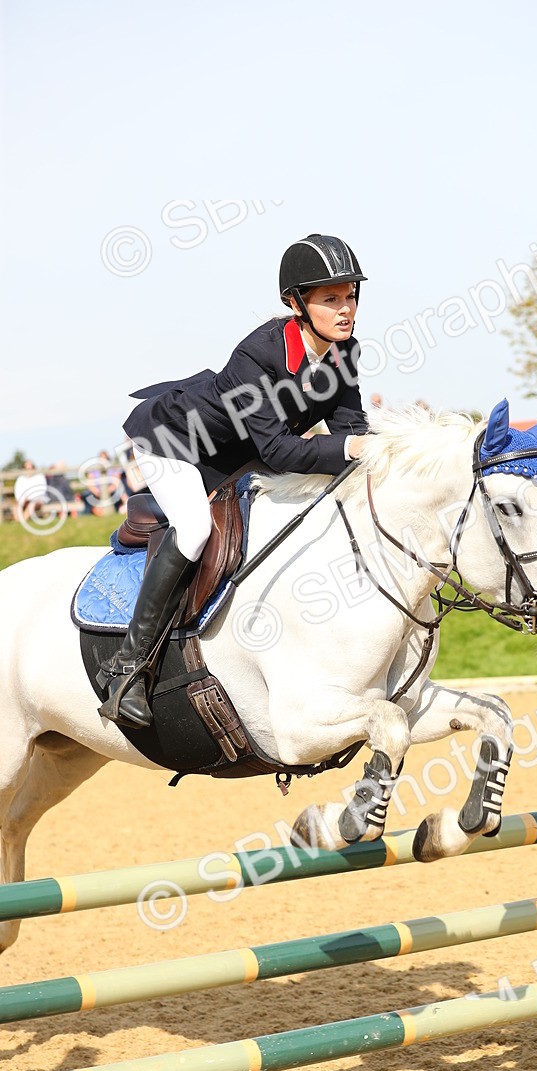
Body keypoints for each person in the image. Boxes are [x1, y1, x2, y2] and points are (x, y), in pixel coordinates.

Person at [98, 233, 370, 730]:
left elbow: (352, 430)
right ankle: (126, 672)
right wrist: (351, 449)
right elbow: (280, 450)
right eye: (330, 298)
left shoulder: (344, 352)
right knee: (196, 529)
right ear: (296, 303)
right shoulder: (258, 355)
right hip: (174, 442)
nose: (345, 308)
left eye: (350, 295)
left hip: (237, 457)